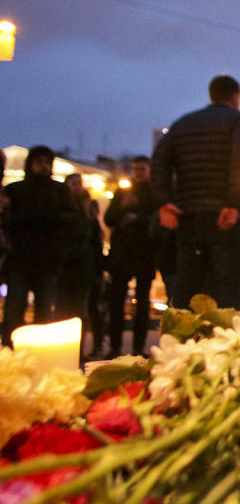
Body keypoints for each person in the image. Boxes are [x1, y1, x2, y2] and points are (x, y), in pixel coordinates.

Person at [151, 74, 240, 310]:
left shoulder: (182, 124)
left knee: (188, 290)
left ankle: (185, 343)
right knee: (230, 294)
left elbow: (158, 162)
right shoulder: (239, 121)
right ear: (236, 96)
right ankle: (229, 344)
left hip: (189, 219)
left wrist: (164, 201)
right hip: (225, 219)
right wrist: (234, 203)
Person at [1, 146, 74, 345]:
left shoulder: (59, 191)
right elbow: (8, 220)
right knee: (14, 312)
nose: (42, 166)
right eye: (39, 161)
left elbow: (69, 221)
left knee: (44, 312)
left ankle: (40, 352)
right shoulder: (16, 190)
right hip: (21, 258)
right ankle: (10, 351)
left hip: (47, 260)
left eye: (46, 162)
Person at [104, 156, 157, 357]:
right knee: (116, 302)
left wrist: (135, 218)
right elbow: (109, 219)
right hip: (121, 256)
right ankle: (115, 346)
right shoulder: (122, 192)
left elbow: (156, 222)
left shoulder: (153, 194)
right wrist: (123, 207)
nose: (138, 172)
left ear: (149, 170)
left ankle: (138, 346)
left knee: (142, 303)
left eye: (142, 169)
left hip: (145, 255)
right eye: (135, 169)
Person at [57, 173, 102, 355]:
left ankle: (77, 350)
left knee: (79, 310)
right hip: (64, 266)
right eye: (73, 183)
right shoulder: (61, 208)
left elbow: (96, 241)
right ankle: (62, 348)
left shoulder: (88, 208)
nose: (76, 187)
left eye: (79, 183)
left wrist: (99, 268)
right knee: (62, 310)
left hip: (84, 268)